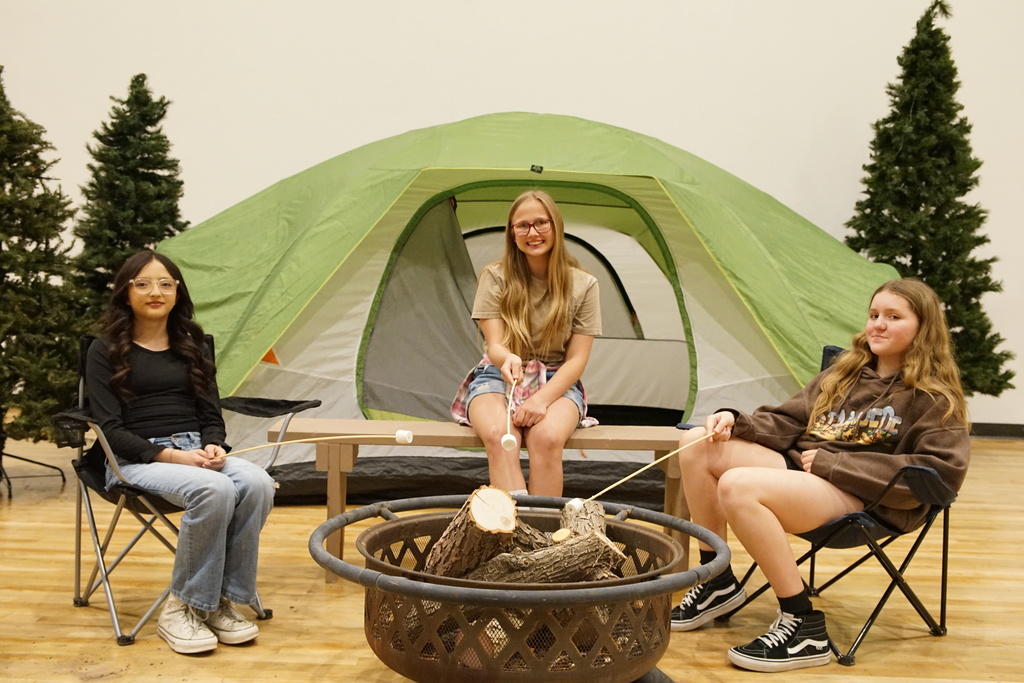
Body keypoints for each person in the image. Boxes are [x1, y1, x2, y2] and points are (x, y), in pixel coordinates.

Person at [671, 278, 970, 673]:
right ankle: (717, 580)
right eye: (874, 314)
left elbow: (940, 475)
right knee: (697, 443)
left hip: (865, 500)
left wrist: (836, 466)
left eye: (894, 317)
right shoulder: (845, 372)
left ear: (923, 329)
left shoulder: (934, 397)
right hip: (806, 475)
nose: (878, 324)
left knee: (738, 485)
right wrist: (734, 420)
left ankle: (803, 624)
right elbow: (786, 421)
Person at [86, 250, 275, 655]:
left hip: (194, 453)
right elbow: (110, 429)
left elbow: (211, 414)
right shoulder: (103, 350)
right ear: (125, 292)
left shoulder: (192, 346)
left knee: (259, 483)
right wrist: (171, 456)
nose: (155, 291)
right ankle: (181, 609)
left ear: (177, 292)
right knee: (215, 490)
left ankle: (219, 601)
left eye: (165, 283)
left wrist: (212, 445)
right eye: (143, 283)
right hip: (134, 460)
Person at [451, 190, 601, 497]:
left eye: (540, 224)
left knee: (545, 438)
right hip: (498, 375)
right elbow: (495, 345)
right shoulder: (494, 276)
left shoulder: (584, 285)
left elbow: (577, 359)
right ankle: (518, 531)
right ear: (512, 234)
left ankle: (542, 534)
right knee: (499, 434)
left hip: (557, 380)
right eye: (523, 226)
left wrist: (541, 399)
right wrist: (506, 358)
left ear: (555, 226)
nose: (532, 233)